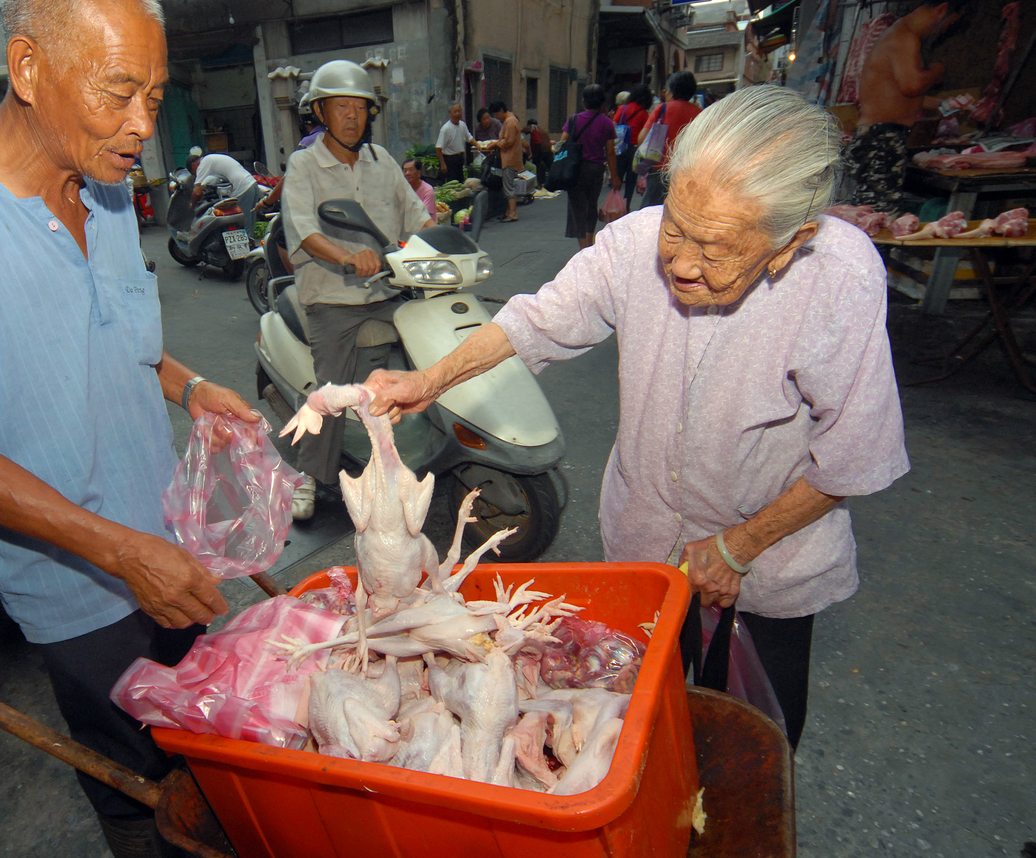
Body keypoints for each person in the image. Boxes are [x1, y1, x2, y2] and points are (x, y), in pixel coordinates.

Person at [364, 85, 909, 751]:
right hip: (649, 536)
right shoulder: (633, 243)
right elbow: (538, 318)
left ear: (790, 242)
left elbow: (854, 456)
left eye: (715, 248)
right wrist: (430, 379)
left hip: (772, 550)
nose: (680, 262)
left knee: (751, 736)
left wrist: (740, 546)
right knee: (639, 717)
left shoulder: (839, 277)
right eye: (676, 227)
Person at [0, 0, 261, 854]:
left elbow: (118, 337)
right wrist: (123, 555)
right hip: (80, 587)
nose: (142, 125)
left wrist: (192, 388)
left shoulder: (105, 185)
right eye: (119, 92)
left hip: (164, 538)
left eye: (154, 97)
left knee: (214, 749)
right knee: (143, 792)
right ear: (28, 69)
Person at [282, 59, 432, 520]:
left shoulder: (382, 161)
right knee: (333, 388)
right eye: (341, 106)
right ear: (320, 112)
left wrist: (442, 239)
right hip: (333, 298)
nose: (352, 116)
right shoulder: (304, 165)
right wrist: (347, 256)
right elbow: (305, 232)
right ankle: (310, 474)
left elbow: (416, 218)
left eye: (361, 107)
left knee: (435, 357)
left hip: (388, 293)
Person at [853, 0, 966, 212]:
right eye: (947, 24)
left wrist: (942, 104)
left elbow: (896, 94)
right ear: (941, 10)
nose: (942, 31)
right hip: (881, 138)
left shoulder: (903, 35)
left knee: (876, 210)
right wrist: (936, 71)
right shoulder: (904, 37)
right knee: (879, 213)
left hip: (881, 137)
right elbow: (912, 86)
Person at [562, 84, 621, 250]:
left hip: (576, 169)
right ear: (602, 103)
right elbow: (610, 152)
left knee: (577, 207)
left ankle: (583, 247)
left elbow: (563, 141)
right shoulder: (607, 123)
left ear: (583, 101)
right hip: (596, 169)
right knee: (591, 205)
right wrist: (615, 176)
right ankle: (589, 243)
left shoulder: (573, 120)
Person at [635, 71, 701, 209]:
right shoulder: (700, 113)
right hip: (687, 171)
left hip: (659, 169)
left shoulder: (663, 109)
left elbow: (642, 139)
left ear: (671, 90)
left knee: (651, 213)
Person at [188, 149, 259, 228]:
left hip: (242, 188)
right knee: (250, 224)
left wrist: (192, 205)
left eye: (195, 173)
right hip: (252, 184)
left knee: (242, 224)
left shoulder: (203, 164)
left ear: (194, 165)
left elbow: (197, 192)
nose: (197, 175)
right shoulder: (210, 158)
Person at [612, 83, 654, 212]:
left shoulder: (622, 109)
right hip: (635, 150)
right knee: (630, 181)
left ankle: (614, 205)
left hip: (620, 148)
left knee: (618, 178)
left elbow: (613, 125)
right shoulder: (643, 113)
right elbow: (646, 134)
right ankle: (626, 207)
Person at [489, 100, 522, 223]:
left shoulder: (510, 122)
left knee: (508, 186)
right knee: (507, 185)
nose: (496, 117)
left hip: (510, 158)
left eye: (496, 114)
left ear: (501, 111)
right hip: (509, 157)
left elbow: (509, 141)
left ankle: (513, 213)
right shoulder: (509, 120)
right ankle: (509, 211)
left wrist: (496, 144)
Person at [434, 102, 474, 183]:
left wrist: (477, 145)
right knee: (451, 182)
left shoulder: (462, 125)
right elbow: (438, 148)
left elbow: (469, 137)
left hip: (460, 158)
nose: (457, 114)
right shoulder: (445, 129)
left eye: (459, 111)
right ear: (450, 112)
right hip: (449, 159)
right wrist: (442, 163)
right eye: (455, 112)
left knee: (460, 182)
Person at [403, 158, 436, 222]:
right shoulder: (403, 188)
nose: (407, 173)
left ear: (418, 173)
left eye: (411, 170)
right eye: (405, 171)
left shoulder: (427, 190)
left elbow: (424, 216)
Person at [524, 118, 554, 187]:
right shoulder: (542, 130)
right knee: (550, 168)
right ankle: (552, 183)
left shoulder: (533, 128)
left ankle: (537, 184)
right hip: (548, 151)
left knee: (536, 167)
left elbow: (537, 142)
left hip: (541, 151)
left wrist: (535, 154)